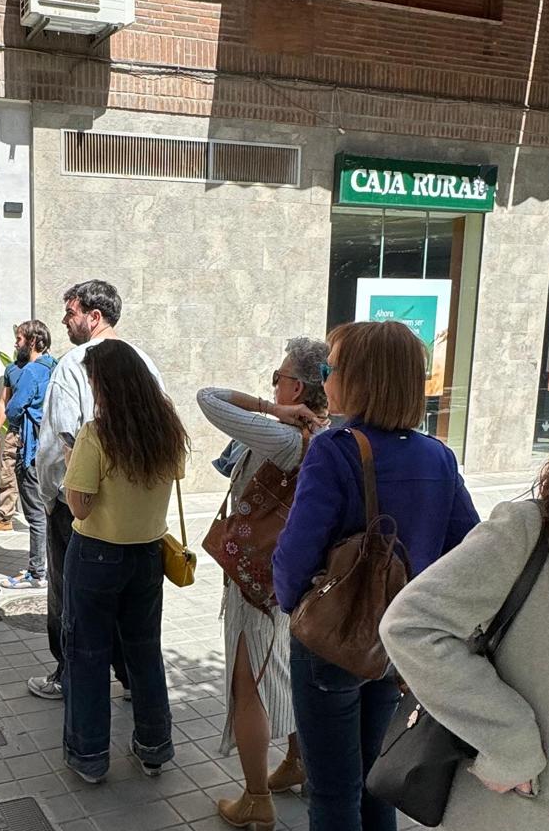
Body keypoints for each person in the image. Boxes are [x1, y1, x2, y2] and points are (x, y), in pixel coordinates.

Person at [274, 320, 480, 831]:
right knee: (374, 781)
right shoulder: (437, 455)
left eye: (331, 368)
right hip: (397, 643)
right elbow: (469, 549)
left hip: (333, 639)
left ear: (360, 378)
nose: (325, 378)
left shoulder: (335, 449)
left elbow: (297, 553)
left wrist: (291, 600)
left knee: (332, 792)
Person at [380, 447, 549, 831]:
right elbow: (412, 622)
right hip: (527, 805)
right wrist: (511, 743)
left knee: (336, 780)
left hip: (343, 628)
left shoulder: (330, 448)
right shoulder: (531, 528)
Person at [196, 337, 331, 830]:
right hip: (294, 577)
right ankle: (297, 761)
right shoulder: (327, 432)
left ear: (297, 385)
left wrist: (273, 407)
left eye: (278, 377)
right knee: (286, 670)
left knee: (247, 680)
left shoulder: (285, 435)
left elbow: (208, 397)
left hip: (258, 578)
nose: (273, 385)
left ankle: (255, 799)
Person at [30, 279, 165, 701]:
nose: (65, 321)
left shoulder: (74, 364)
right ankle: (128, 680)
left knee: (72, 602)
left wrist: (55, 495)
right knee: (131, 609)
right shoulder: (145, 360)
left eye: (70, 313)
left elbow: (61, 441)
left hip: (82, 505)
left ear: (94, 316)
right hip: (138, 516)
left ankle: (68, 675)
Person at [61, 339, 187, 784]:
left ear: (106, 384)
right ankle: (154, 747)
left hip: (97, 553)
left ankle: (90, 755)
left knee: (87, 653)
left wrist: (69, 464)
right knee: (144, 652)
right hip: (148, 554)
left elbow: (79, 506)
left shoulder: (96, 434)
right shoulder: (167, 428)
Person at [0, 321, 56, 588]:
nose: (16, 344)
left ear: (33, 341)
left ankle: (36, 572)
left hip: (31, 449)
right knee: (50, 511)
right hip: (54, 450)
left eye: (19, 339)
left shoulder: (30, 372)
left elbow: (13, 409)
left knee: (34, 515)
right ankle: (49, 566)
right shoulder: (55, 366)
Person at [0, 328, 30, 534]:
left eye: (19, 339)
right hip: (14, 431)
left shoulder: (46, 368)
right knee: (7, 473)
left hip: (35, 432)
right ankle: (6, 517)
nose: (15, 344)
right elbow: (4, 401)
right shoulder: (11, 370)